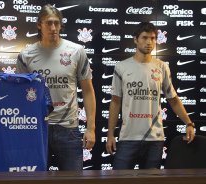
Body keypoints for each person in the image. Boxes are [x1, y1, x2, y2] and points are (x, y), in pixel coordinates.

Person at [105, 22, 195, 170]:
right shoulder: (121, 67)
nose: (149, 42)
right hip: (128, 138)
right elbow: (115, 102)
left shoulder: (162, 67)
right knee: (119, 181)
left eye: (153, 38)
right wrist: (110, 135)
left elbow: (173, 99)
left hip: (155, 139)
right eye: (145, 37)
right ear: (135, 39)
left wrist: (189, 123)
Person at [17, 4, 96, 171]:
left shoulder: (76, 51)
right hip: (37, 128)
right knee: (35, 180)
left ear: (61, 25)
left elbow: (88, 91)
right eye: (48, 23)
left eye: (56, 23)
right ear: (39, 25)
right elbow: (20, 95)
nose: (53, 28)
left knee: (73, 180)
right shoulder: (26, 55)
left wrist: (90, 128)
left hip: (68, 128)